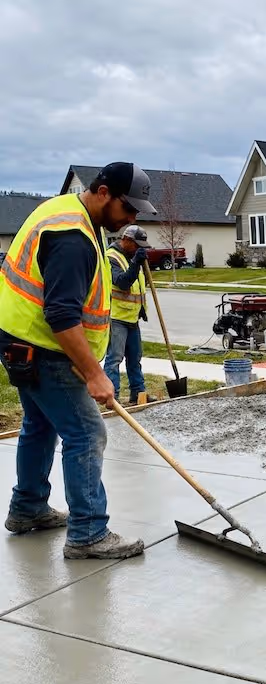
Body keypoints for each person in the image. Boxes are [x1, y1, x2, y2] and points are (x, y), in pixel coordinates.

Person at [0, 162, 157, 557]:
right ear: (103, 193)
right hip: (46, 347)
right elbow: (62, 316)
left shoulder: (67, 212)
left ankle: (28, 508)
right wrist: (94, 374)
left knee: (39, 425)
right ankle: (88, 534)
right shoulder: (72, 238)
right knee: (87, 433)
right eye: (128, 208)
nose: (131, 219)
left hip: (21, 339)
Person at [103, 224, 155, 404]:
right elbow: (122, 282)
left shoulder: (132, 257)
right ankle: (113, 399)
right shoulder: (111, 257)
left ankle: (138, 394)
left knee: (135, 359)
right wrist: (136, 263)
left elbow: (139, 284)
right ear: (126, 240)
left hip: (132, 317)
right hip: (116, 317)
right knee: (114, 359)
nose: (139, 249)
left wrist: (142, 265)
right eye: (137, 245)